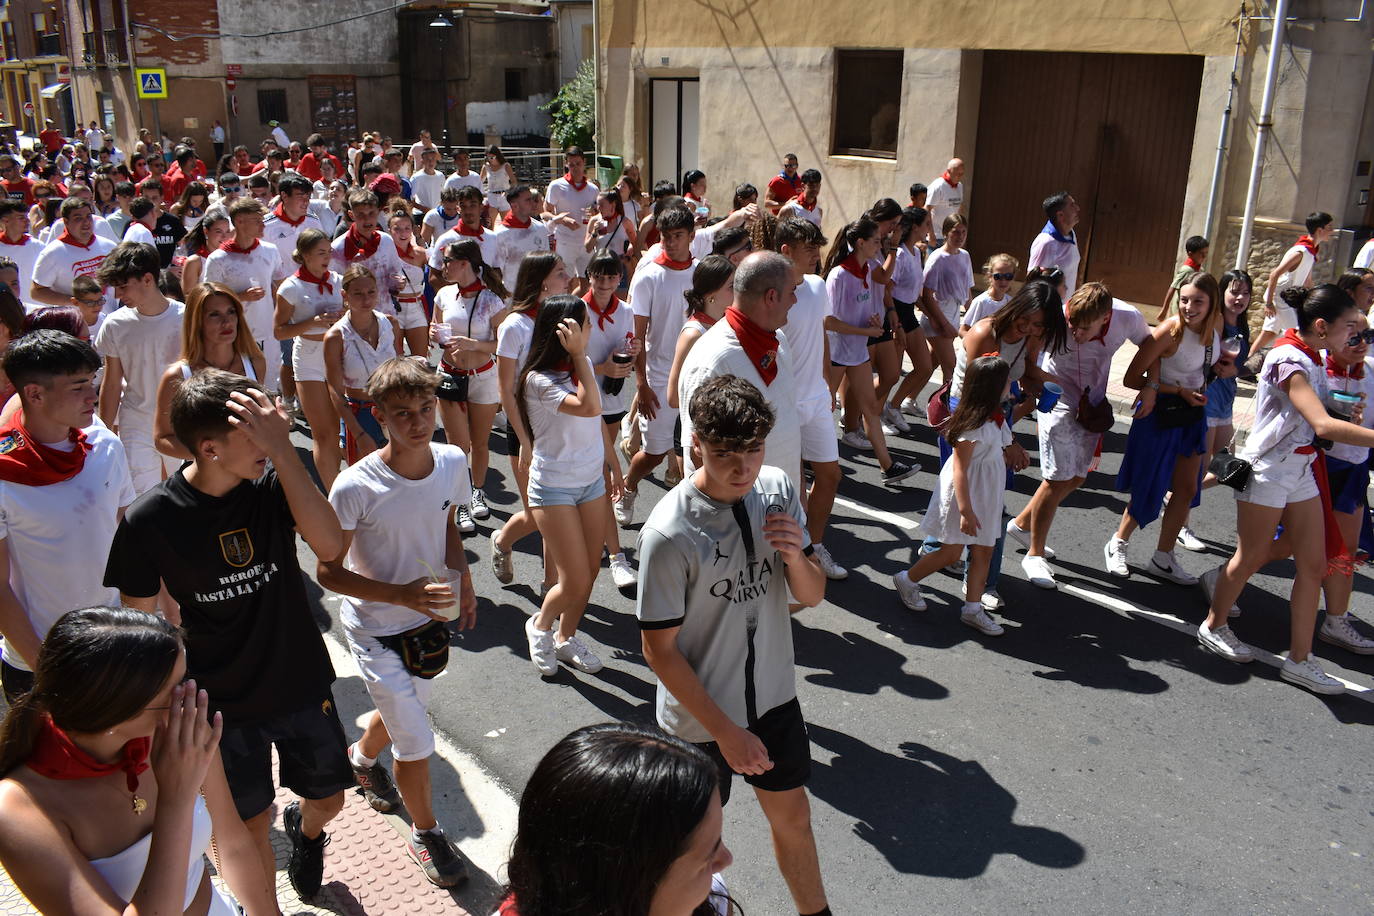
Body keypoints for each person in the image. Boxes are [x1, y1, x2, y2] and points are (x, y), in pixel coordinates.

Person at [105, 368, 352, 898]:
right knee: (247, 824)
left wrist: (284, 452)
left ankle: (307, 835)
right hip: (219, 701)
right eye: (256, 430)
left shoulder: (272, 483)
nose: (270, 437)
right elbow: (140, 624)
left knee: (330, 798)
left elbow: (331, 547)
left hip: (299, 679)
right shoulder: (150, 519)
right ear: (211, 447)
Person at [637, 375, 829, 916]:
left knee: (793, 819)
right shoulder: (668, 533)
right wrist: (727, 734)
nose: (741, 467)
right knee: (687, 851)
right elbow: (659, 651)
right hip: (701, 724)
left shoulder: (776, 489)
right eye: (724, 453)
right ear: (695, 442)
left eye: (752, 450)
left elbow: (811, 596)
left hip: (773, 701)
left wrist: (797, 558)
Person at [0, 606, 279, 915]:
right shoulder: (18, 808)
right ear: (112, 712)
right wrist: (176, 800)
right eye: (170, 692)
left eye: (184, 680)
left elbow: (232, 843)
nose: (187, 697)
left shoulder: (176, 734)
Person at [317, 357, 475, 887]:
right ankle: (427, 834)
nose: (418, 421)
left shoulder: (453, 461)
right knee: (416, 738)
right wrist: (401, 595)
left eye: (426, 407)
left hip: (426, 626)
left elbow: (448, 520)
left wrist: (464, 579)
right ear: (378, 415)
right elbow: (328, 572)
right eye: (403, 412)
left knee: (402, 706)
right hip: (375, 630)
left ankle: (361, 759)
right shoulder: (354, 486)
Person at [1197, 285, 1374, 694]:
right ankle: (1214, 624)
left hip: (1302, 466)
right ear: (1321, 326)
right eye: (1351, 327)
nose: (1356, 335)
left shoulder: (1313, 356)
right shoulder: (1287, 356)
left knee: (1314, 564)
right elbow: (1323, 425)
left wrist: (1342, 407)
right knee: (1252, 554)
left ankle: (1299, 660)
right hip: (1269, 470)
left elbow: (1316, 414)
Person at [0, 332, 134, 701]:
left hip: (111, 644)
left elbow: (130, 540)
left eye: (92, 381)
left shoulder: (106, 445)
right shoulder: (2, 474)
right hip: (38, 665)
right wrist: (48, 669)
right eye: (78, 387)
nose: (93, 395)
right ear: (35, 394)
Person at [497, 721, 734, 916]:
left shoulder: (712, 898)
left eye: (718, 840)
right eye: (707, 856)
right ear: (626, 883)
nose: (725, 860)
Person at [1007, 283, 1150, 590]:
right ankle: (1034, 554)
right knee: (1057, 478)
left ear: (1106, 317)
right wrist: (1037, 383)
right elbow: (1029, 355)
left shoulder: (1128, 317)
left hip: (1091, 407)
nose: (1075, 333)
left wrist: (1150, 385)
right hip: (1056, 400)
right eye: (1072, 323)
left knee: (1077, 478)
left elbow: (1153, 344)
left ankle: (1021, 525)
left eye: (1084, 328)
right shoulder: (1057, 317)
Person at [1105, 272, 1228, 583]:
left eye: (1197, 301)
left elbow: (1201, 368)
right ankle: (1118, 542)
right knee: (1150, 485)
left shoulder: (1214, 328)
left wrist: (1222, 371)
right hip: (1160, 415)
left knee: (1186, 489)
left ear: (1212, 303)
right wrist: (1175, 390)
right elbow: (1132, 378)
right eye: (1184, 300)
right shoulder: (1169, 331)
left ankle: (1163, 557)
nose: (1189, 306)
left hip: (1191, 416)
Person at [518, 294, 610, 677]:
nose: (590, 330)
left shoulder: (582, 365)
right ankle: (540, 625)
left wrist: (613, 464)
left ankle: (565, 637)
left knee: (589, 570)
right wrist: (579, 357)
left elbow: (596, 417)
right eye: (584, 324)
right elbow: (587, 407)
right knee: (574, 580)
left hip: (589, 482)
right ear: (565, 333)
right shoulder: (537, 380)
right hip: (554, 487)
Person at [893, 355, 1013, 636]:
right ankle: (907, 579)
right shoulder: (973, 425)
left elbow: (999, 447)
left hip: (986, 492)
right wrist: (966, 510)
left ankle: (972, 609)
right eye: (1008, 380)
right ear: (993, 387)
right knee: (950, 551)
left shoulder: (996, 416)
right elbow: (960, 470)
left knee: (985, 549)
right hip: (967, 495)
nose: (1012, 384)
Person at [680, 251, 806, 496]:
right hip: (740, 520)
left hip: (782, 506)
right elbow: (697, 454)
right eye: (792, 292)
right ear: (771, 297)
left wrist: (798, 494)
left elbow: (789, 421)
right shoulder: (712, 360)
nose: (795, 301)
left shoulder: (777, 340)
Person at [491, 252, 569, 589]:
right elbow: (506, 390)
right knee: (540, 514)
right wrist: (525, 442)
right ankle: (502, 542)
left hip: (557, 424)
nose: (568, 277)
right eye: (561, 272)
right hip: (525, 427)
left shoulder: (561, 316)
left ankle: (551, 585)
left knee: (553, 513)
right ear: (542, 282)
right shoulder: (514, 325)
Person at [616, 205, 697, 526]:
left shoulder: (702, 273)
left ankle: (692, 517)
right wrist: (642, 385)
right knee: (652, 454)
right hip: (659, 379)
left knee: (697, 452)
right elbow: (636, 337)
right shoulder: (648, 276)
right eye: (666, 237)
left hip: (697, 376)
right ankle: (628, 486)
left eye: (678, 236)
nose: (671, 242)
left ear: (692, 236)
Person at [773, 218, 845, 579]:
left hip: (816, 398)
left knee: (830, 475)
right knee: (790, 488)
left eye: (818, 246)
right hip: (782, 404)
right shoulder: (770, 292)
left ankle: (814, 547)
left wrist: (829, 384)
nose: (817, 254)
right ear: (786, 252)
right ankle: (789, 557)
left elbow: (822, 334)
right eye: (808, 248)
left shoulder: (818, 286)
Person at [824, 217, 917, 485]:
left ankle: (888, 467)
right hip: (835, 353)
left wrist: (873, 322)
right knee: (821, 408)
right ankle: (807, 458)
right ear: (860, 243)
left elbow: (862, 310)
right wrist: (866, 333)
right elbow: (828, 321)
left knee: (870, 410)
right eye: (876, 240)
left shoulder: (868, 270)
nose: (881, 243)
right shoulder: (839, 275)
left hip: (857, 352)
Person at [94, 242, 186, 496]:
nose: (118, 295)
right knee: (141, 495)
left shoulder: (188, 318)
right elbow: (112, 382)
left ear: (147, 279)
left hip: (182, 421)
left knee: (186, 490)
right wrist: (103, 431)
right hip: (136, 422)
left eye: (123, 286)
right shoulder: (114, 324)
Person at [431, 239, 508, 531]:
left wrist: (472, 344)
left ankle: (478, 491)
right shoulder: (443, 295)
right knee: (458, 446)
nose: (443, 266)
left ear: (465, 263)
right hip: (449, 375)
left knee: (480, 442)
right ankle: (461, 501)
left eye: (448, 260)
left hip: (483, 376)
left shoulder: (491, 300)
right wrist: (436, 337)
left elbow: (504, 343)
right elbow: (436, 331)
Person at [154, 283, 266, 462]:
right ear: (197, 321)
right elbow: (162, 439)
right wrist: (215, 458)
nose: (227, 322)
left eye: (231, 312)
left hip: (254, 471)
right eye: (214, 314)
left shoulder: (255, 363)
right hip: (206, 480)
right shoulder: (178, 376)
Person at [1182, 269, 1253, 549]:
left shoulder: (1241, 324)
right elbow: (1206, 359)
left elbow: (1237, 365)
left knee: (1230, 469)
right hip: (1208, 400)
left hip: (1226, 403)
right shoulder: (1219, 322)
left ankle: (1172, 496)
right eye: (1234, 291)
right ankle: (1182, 524)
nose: (1240, 297)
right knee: (1200, 470)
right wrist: (1221, 370)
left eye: (1245, 292)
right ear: (1221, 293)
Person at [581, 250, 639, 589]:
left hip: (612, 398)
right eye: (598, 276)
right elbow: (571, 359)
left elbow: (627, 343)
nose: (604, 283)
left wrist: (630, 354)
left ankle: (603, 540)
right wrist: (601, 367)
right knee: (599, 470)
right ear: (589, 276)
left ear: (620, 278)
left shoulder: (626, 310)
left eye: (611, 276)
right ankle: (613, 551)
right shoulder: (577, 308)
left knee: (600, 467)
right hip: (583, 400)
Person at [273, 229, 344, 486]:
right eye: (320, 253)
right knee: (322, 434)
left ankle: (339, 485)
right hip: (309, 357)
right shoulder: (291, 287)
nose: (327, 258)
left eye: (329, 252)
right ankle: (332, 492)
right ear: (304, 256)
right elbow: (279, 331)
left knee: (337, 431)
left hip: (337, 355)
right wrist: (313, 321)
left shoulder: (337, 280)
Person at [324, 265, 404, 465]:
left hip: (393, 408)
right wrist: (358, 433)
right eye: (357, 294)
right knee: (366, 485)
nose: (366, 300)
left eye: (371, 292)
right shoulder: (336, 336)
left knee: (400, 478)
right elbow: (334, 389)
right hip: (360, 414)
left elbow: (400, 367)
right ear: (345, 295)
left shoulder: (390, 324)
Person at [203, 198, 282, 387]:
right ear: (239, 221)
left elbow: (281, 286)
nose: (263, 225)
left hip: (267, 334)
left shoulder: (270, 251)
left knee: (268, 385)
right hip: (233, 335)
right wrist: (242, 297)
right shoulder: (218, 259)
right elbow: (209, 300)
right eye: (257, 220)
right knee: (237, 387)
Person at [1251, 211, 1336, 361]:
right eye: (1330, 227)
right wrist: (1269, 303)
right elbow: (1274, 275)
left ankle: (1247, 364)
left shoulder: (1311, 252)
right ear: (1319, 230)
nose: (1332, 231)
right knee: (1298, 331)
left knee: (1269, 333)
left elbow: (1307, 282)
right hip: (1281, 299)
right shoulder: (1300, 251)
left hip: (1287, 299)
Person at [30, 197, 116, 315]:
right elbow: (36, 292)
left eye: (88, 217)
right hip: (74, 324)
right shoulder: (52, 253)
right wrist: (75, 302)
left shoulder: (109, 246)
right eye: (78, 218)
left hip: (108, 318)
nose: (86, 222)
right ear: (66, 222)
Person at [920, 214, 972, 390]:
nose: (960, 236)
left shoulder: (965, 256)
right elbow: (926, 294)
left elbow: (967, 290)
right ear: (946, 233)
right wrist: (944, 324)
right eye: (955, 232)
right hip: (937, 318)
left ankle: (905, 400)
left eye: (963, 232)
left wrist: (972, 317)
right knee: (951, 366)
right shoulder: (937, 259)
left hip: (954, 315)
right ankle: (947, 411)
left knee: (931, 364)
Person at [545, 146, 600, 295]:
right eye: (571, 164)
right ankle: (564, 311)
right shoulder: (556, 186)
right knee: (564, 282)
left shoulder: (593, 189)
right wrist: (561, 220)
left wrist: (596, 213)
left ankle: (576, 309)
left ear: (584, 162)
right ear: (566, 164)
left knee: (588, 284)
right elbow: (545, 212)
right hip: (565, 241)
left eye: (578, 163)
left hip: (586, 243)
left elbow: (599, 214)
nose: (575, 168)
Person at [428, 185, 498, 284]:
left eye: (472, 205)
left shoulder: (493, 238)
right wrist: (458, 295)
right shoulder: (446, 240)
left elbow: (497, 271)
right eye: (463, 206)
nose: (468, 211)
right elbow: (434, 277)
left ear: (481, 208)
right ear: (458, 209)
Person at [386, 206, 431, 357]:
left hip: (416, 308)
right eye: (397, 229)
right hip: (393, 309)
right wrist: (390, 285)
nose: (402, 233)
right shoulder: (383, 254)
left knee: (421, 360)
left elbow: (437, 277)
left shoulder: (421, 253)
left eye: (407, 228)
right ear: (389, 230)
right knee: (395, 359)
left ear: (413, 230)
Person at [490, 185, 550, 291]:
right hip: (513, 294)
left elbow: (546, 262)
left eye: (532, 199)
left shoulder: (540, 228)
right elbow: (497, 270)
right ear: (514, 206)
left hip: (537, 292)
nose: (533, 203)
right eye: (528, 200)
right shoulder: (501, 234)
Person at [1027, 191, 1082, 298]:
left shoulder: (1071, 234)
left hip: (1066, 306)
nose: (1077, 208)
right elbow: (1033, 282)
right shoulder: (1045, 242)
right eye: (1072, 205)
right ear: (1060, 215)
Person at [0, 199, 45, 301]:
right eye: (21, 218)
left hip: (34, 306)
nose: (27, 221)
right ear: (5, 221)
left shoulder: (38, 246)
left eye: (26, 217)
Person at [1158, 235, 1209, 322]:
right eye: (1201, 253)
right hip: (1180, 309)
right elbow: (1173, 287)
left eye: (1206, 253)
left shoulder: (1199, 269)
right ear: (1190, 254)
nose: (1204, 256)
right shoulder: (1187, 270)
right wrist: (1164, 309)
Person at [962, 253, 1018, 332]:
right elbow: (963, 329)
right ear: (989, 276)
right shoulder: (981, 302)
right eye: (998, 276)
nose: (1003, 281)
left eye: (1008, 276)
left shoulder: (1011, 303)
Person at [179, 205, 229, 292]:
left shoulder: (234, 257)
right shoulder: (194, 262)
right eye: (218, 231)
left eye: (227, 231)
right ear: (206, 231)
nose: (224, 236)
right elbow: (189, 297)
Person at [926, 158, 965, 242]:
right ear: (949, 171)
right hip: (938, 236)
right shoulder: (938, 186)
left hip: (952, 235)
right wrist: (931, 234)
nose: (959, 177)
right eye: (957, 173)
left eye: (961, 174)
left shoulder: (959, 186)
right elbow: (927, 209)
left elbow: (959, 208)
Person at [410, 147, 446, 213]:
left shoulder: (440, 175)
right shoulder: (416, 177)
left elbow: (443, 194)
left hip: (437, 213)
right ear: (422, 160)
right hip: (420, 213)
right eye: (427, 159)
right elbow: (410, 199)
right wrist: (423, 209)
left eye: (433, 159)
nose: (430, 162)